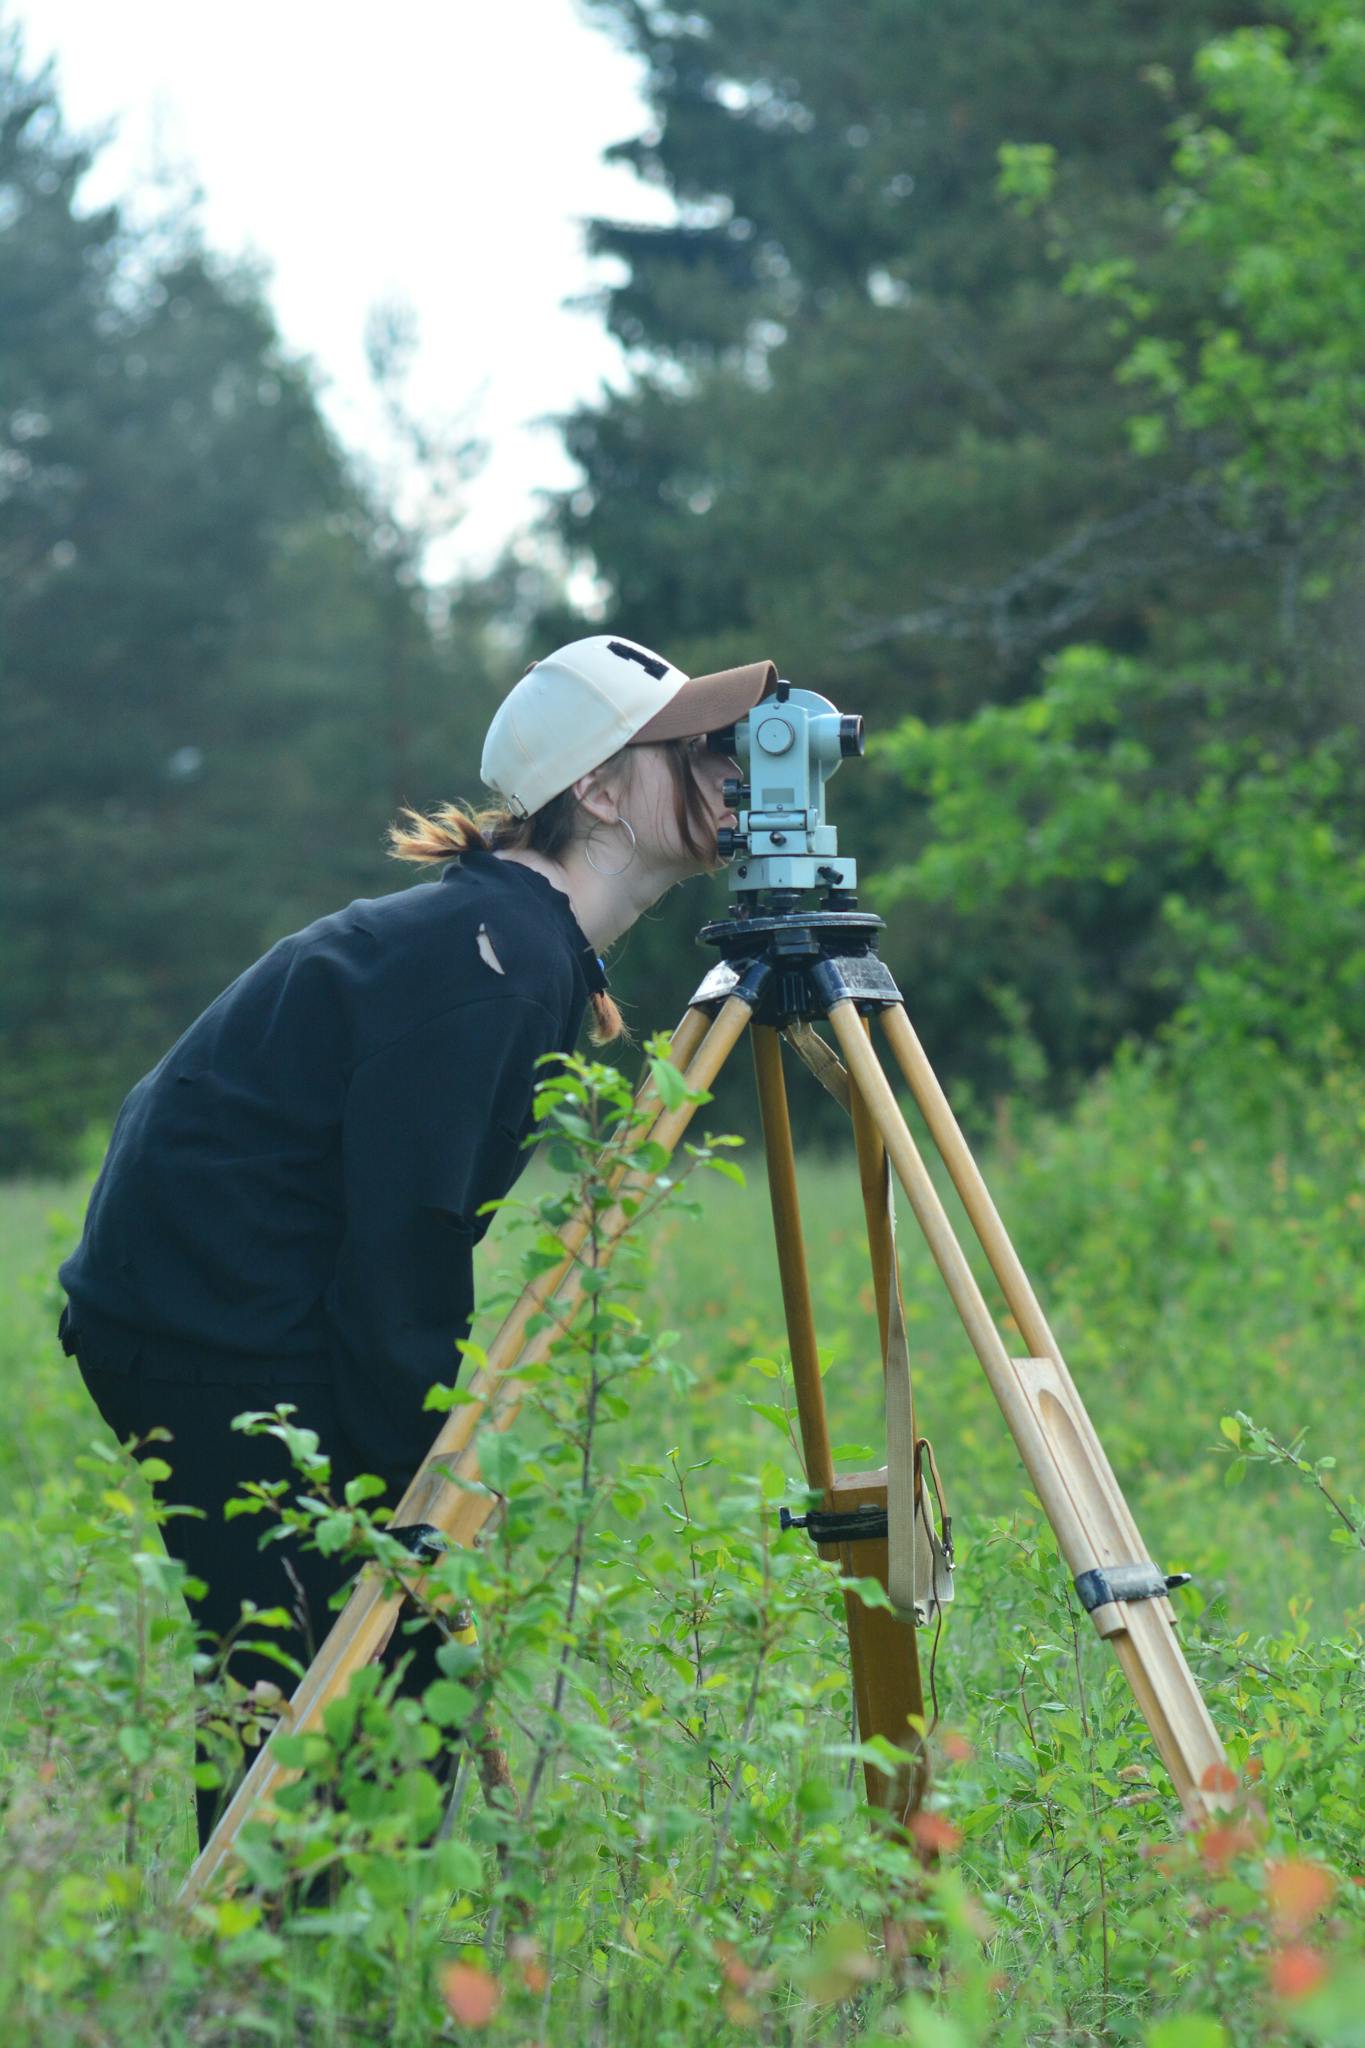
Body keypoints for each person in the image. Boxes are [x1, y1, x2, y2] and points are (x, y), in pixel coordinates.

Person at [57, 633, 775, 1846]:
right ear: (597, 790)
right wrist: (418, 1490)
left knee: (372, 1667)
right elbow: (408, 1237)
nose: (729, 766)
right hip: (204, 1325)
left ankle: (301, 1963)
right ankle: (266, 1978)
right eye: (693, 746)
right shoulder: (488, 960)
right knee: (335, 1671)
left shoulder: (509, 937)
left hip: (218, 1304)